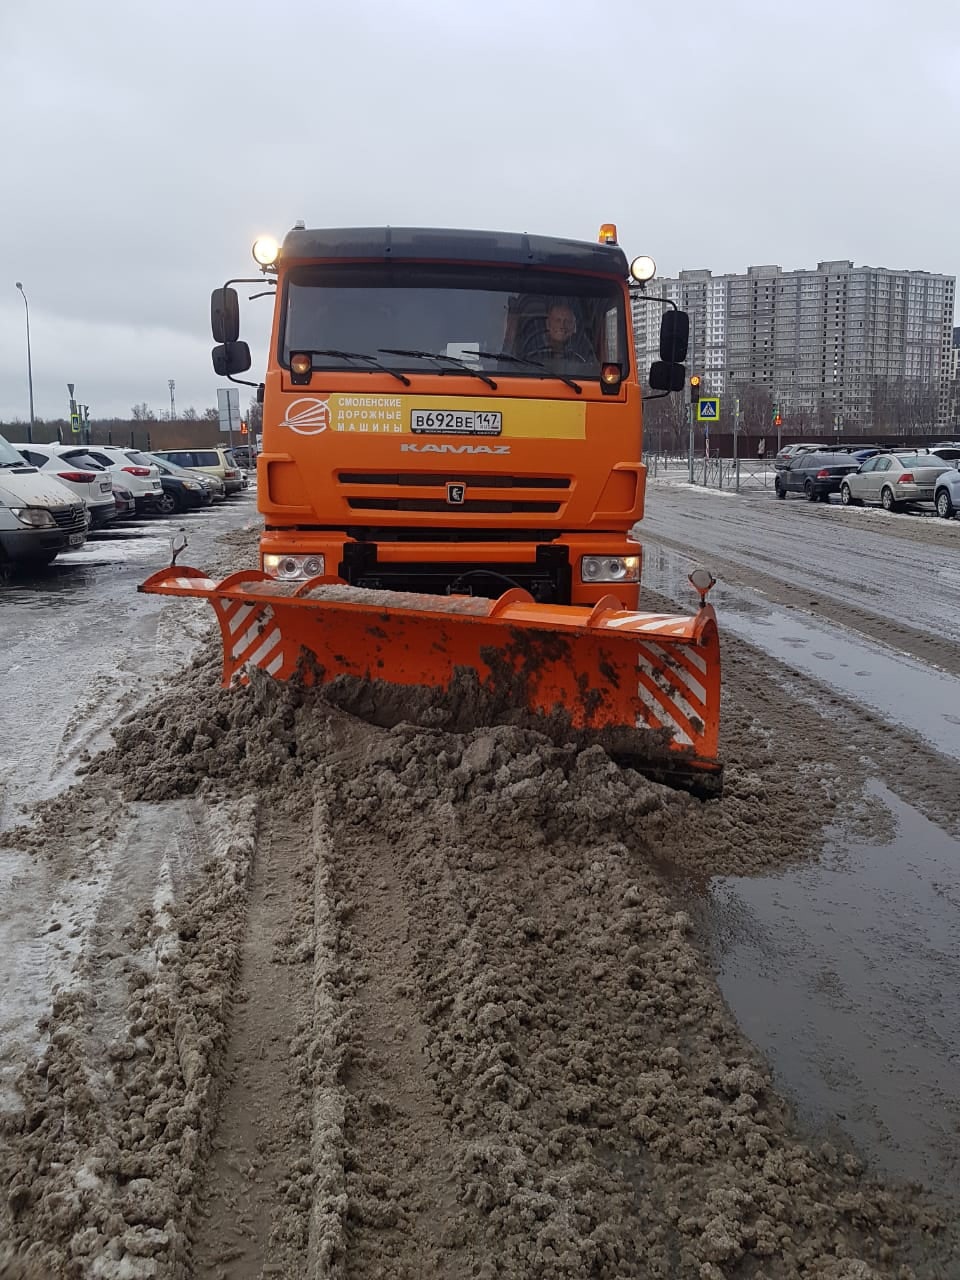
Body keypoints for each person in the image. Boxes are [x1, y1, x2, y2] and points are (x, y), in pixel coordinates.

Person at [522, 302, 596, 368]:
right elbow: (521, 368)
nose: (562, 326)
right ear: (548, 324)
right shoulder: (533, 344)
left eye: (567, 321)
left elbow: (594, 369)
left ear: (574, 326)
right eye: (557, 320)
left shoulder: (583, 346)